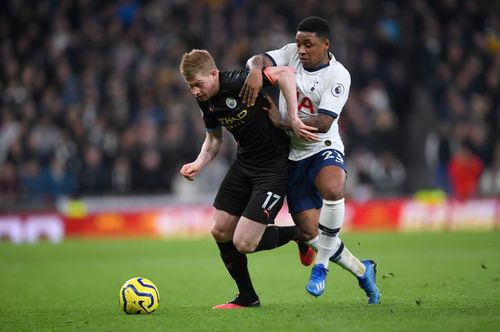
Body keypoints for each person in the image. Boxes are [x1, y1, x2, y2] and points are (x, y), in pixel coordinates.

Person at [241, 16, 380, 304]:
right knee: (308, 231)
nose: (301, 49)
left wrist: (283, 122)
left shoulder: (339, 75)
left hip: (322, 146)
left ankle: (321, 267)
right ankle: (362, 269)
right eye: (299, 42)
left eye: (309, 44)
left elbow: (323, 122)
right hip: (291, 155)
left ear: (325, 45)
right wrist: (255, 69)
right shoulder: (291, 53)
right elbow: (259, 58)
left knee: (333, 188)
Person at [179, 49, 317, 309]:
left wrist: (292, 118)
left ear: (213, 73)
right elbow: (214, 139)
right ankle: (247, 298)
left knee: (243, 242)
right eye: (190, 87)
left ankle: (301, 234)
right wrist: (199, 163)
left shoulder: (239, 80)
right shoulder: (204, 99)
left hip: (273, 167)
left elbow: (286, 73)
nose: (195, 91)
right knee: (220, 230)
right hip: (244, 164)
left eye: (198, 84)